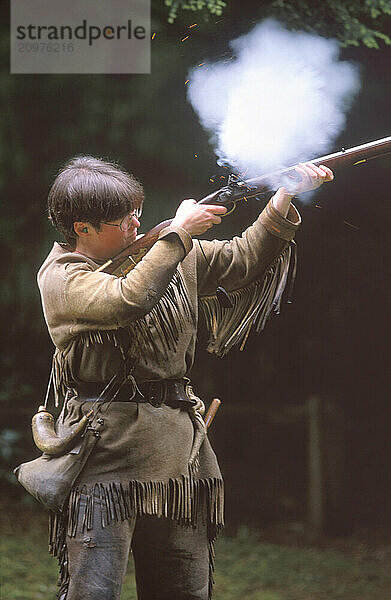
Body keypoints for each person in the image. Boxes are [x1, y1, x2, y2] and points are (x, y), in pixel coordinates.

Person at [38, 156, 333, 600]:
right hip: (102, 458)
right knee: (93, 592)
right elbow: (126, 299)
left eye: (136, 211)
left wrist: (284, 197)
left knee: (185, 591)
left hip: (178, 456)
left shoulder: (166, 249)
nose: (136, 222)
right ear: (83, 228)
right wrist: (179, 233)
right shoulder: (61, 277)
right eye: (123, 218)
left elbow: (243, 259)